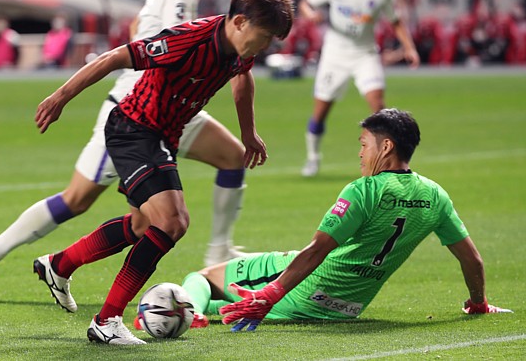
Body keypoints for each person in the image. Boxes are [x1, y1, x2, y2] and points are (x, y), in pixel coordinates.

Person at [0, 0, 259, 302]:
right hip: (136, 110)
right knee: (78, 199)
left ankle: (218, 251)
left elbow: (140, 26)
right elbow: (177, 43)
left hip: (174, 111)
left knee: (228, 160)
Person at [30, 0, 293, 345]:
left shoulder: (239, 51)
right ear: (239, 22)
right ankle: (107, 321)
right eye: (264, 37)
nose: (265, 46)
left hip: (162, 136)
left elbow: (242, 81)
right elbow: (114, 57)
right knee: (172, 222)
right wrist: (60, 98)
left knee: (143, 225)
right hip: (134, 129)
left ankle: (60, 264)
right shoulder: (188, 40)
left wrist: (248, 132)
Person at [176, 109, 512, 333]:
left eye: (364, 145)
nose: (360, 153)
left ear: (387, 146)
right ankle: (196, 313)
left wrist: (272, 293)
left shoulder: (365, 190)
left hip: (302, 287)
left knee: (202, 276)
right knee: (229, 303)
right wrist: (478, 303)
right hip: (344, 307)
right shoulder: (435, 196)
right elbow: (472, 259)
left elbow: (316, 251)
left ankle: (192, 313)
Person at [299, 0, 420, 177]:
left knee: (379, 108)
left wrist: (409, 48)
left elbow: (395, 20)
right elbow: (306, 3)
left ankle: (385, 162)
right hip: (335, 55)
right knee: (320, 112)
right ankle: (312, 157)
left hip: (365, 54)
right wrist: (310, 14)